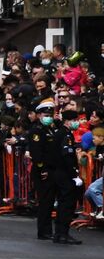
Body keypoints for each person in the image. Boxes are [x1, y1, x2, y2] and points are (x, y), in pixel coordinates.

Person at [27, 100, 82, 244]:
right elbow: (37, 153)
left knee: (51, 201)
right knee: (45, 201)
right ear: (39, 115)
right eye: (46, 114)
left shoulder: (51, 129)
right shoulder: (36, 131)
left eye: (51, 114)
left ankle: (50, 231)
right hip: (43, 170)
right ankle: (44, 231)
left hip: (52, 170)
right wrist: (42, 169)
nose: (49, 117)